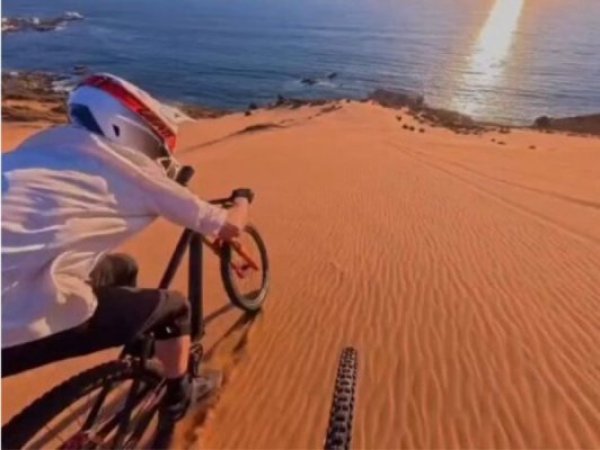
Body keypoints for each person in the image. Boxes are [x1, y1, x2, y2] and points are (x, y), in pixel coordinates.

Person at [1, 73, 252, 421]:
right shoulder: (138, 173)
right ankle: (180, 395)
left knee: (123, 268)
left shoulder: (30, 153)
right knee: (176, 308)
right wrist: (242, 200)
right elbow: (230, 227)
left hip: (19, 282)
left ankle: (139, 337)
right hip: (13, 317)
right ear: (132, 130)